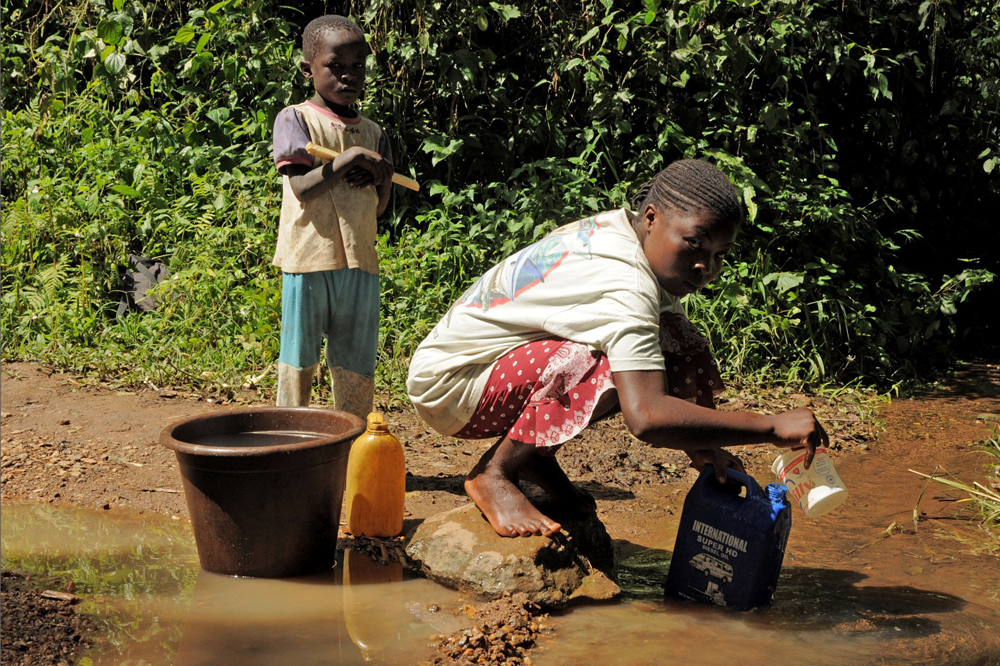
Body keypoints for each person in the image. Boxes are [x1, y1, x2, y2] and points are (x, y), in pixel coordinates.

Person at [406, 159, 829, 538]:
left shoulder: (623, 230)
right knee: (604, 366)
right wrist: (770, 426)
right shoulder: (627, 284)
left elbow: (668, 350)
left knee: (678, 339)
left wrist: (698, 444)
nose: (706, 267)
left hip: (490, 364)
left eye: (720, 254)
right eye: (694, 244)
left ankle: (532, 459)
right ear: (651, 217)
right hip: (454, 386)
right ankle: (494, 473)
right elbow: (646, 417)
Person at [271, 14, 394, 418]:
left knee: (356, 361)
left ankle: (353, 446)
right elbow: (302, 188)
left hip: (360, 262)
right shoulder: (296, 119)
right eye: (335, 67)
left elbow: (378, 207)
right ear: (308, 69)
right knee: (299, 358)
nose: (348, 76)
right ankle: (290, 442)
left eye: (357, 67)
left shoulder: (375, 134)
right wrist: (348, 161)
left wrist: (384, 175)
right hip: (309, 258)